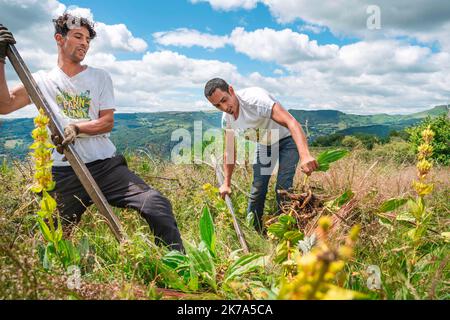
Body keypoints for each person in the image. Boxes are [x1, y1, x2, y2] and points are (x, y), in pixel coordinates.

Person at [0, 15, 184, 252]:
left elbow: (107, 122)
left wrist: (77, 128)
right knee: (55, 240)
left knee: (155, 204)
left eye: (87, 39)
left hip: (105, 167)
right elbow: (5, 105)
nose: (84, 43)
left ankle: (177, 269)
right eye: (78, 36)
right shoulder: (41, 81)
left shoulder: (99, 77)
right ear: (59, 38)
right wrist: (1, 59)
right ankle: (67, 283)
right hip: (62, 174)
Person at [204, 78, 319, 233]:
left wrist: (305, 156)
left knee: (283, 188)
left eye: (224, 100)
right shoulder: (228, 120)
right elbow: (230, 151)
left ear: (231, 90)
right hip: (265, 145)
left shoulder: (256, 100)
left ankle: (285, 231)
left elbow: (292, 122)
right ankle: (255, 232)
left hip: (287, 140)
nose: (224, 107)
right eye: (217, 105)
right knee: (258, 188)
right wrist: (227, 183)